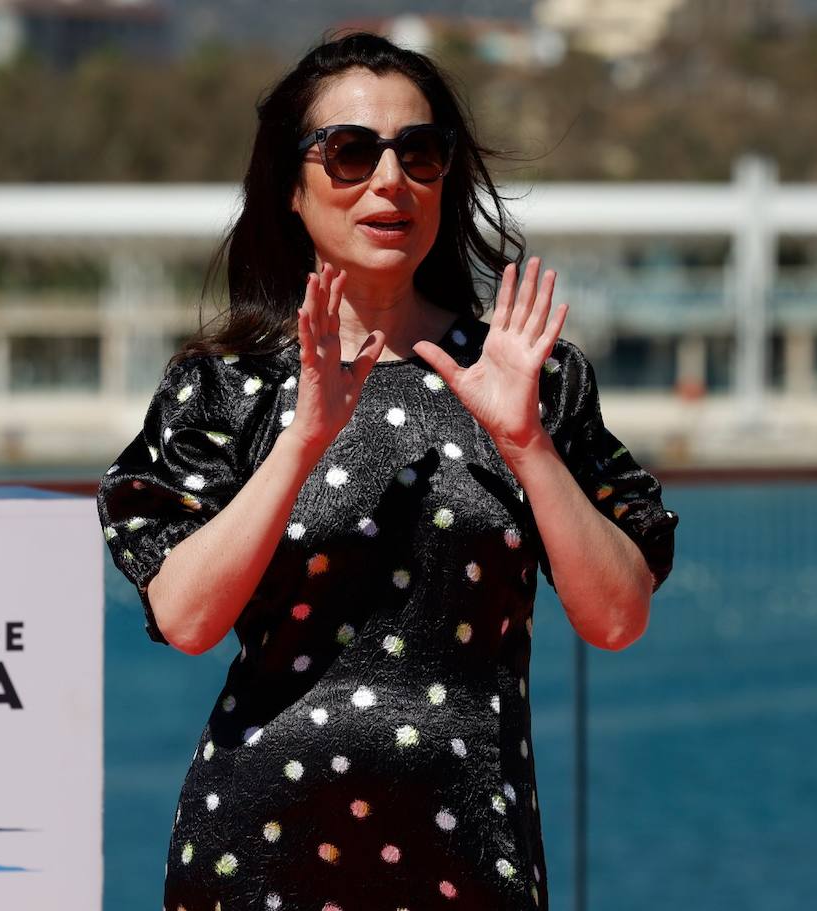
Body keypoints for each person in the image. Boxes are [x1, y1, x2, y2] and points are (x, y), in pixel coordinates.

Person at [95, 30, 678, 911]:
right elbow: (184, 617)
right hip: (258, 852)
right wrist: (302, 440)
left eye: (420, 152)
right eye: (350, 152)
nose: (389, 182)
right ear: (291, 188)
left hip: (472, 853)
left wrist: (526, 443)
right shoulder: (230, 385)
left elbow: (618, 616)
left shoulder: (529, 375)